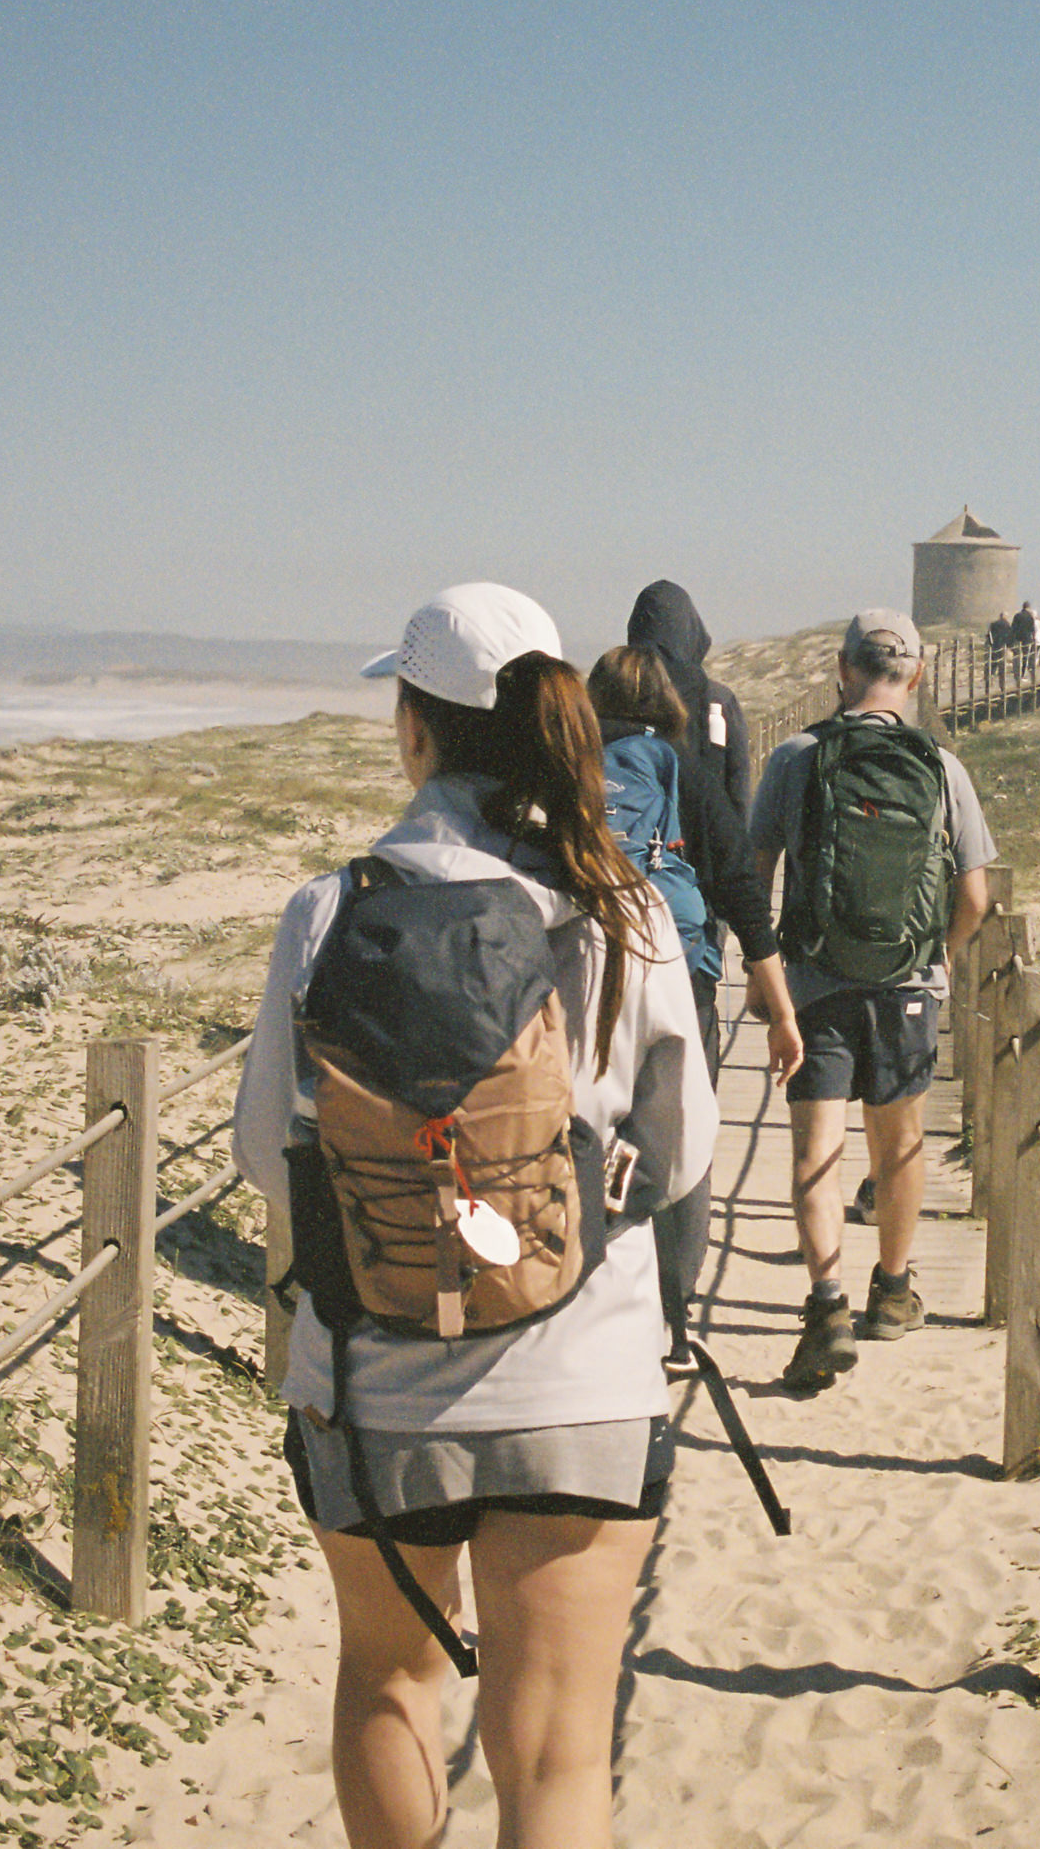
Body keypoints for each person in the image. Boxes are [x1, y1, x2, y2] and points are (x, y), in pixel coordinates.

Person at [232, 582, 716, 1849]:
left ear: (415, 728)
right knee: (555, 1757)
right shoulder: (624, 910)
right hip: (581, 1376)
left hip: (374, 1374)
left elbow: (261, 1150)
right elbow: (681, 1152)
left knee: (388, 1681)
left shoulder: (329, 912)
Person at [749, 610, 995, 1394]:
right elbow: (976, 895)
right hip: (908, 986)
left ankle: (825, 1307)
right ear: (916, 677)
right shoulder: (942, 767)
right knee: (898, 1146)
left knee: (816, 1151)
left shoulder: (796, 758)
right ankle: (891, 1293)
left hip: (817, 982)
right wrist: (939, 959)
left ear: (841, 670)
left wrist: (769, 980)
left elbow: (754, 883)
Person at [588, 641, 804, 1083]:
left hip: (588, 972)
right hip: (679, 974)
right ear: (667, 698)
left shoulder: (570, 768)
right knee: (681, 1135)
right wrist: (782, 1013)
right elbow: (741, 888)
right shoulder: (684, 768)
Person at [625, 579, 752, 821]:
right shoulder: (717, 702)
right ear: (691, 630)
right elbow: (739, 793)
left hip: (630, 850)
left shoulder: (615, 697)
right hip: (702, 848)